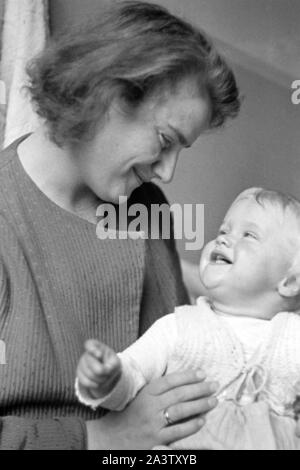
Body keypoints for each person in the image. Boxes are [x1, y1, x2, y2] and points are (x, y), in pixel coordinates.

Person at [0, 1, 241, 450]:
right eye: (165, 142)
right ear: (106, 98)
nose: (167, 173)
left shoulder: (145, 207)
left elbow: (182, 355)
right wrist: (100, 437)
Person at [76, 187, 300, 450]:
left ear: (290, 281)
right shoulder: (179, 327)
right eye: (223, 231)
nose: (223, 240)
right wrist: (109, 379)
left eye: (248, 235)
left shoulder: (292, 337)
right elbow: (132, 377)